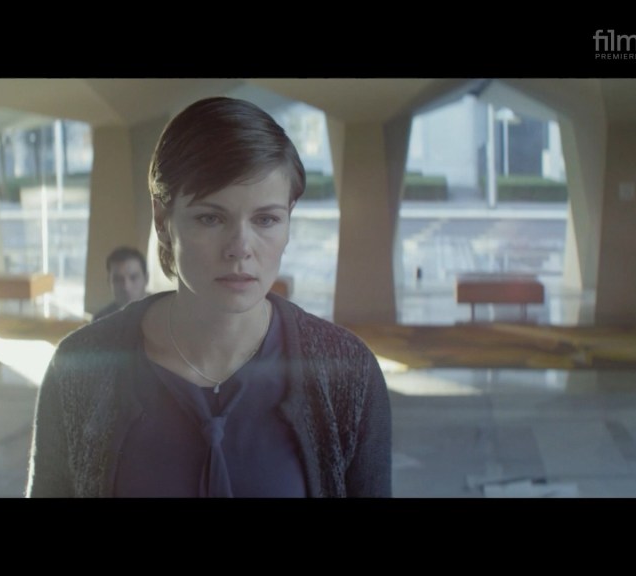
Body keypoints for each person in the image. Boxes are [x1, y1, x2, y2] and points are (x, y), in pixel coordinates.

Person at [26, 96, 391, 497]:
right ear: (162, 221)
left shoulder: (347, 373)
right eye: (211, 218)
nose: (240, 248)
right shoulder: (80, 368)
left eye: (266, 219)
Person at [92, 246, 149, 321]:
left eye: (133, 278)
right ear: (109, 282)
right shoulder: (100, 320)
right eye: (118, 280)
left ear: (146, 279)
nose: (126, 287)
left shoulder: (161, 315)